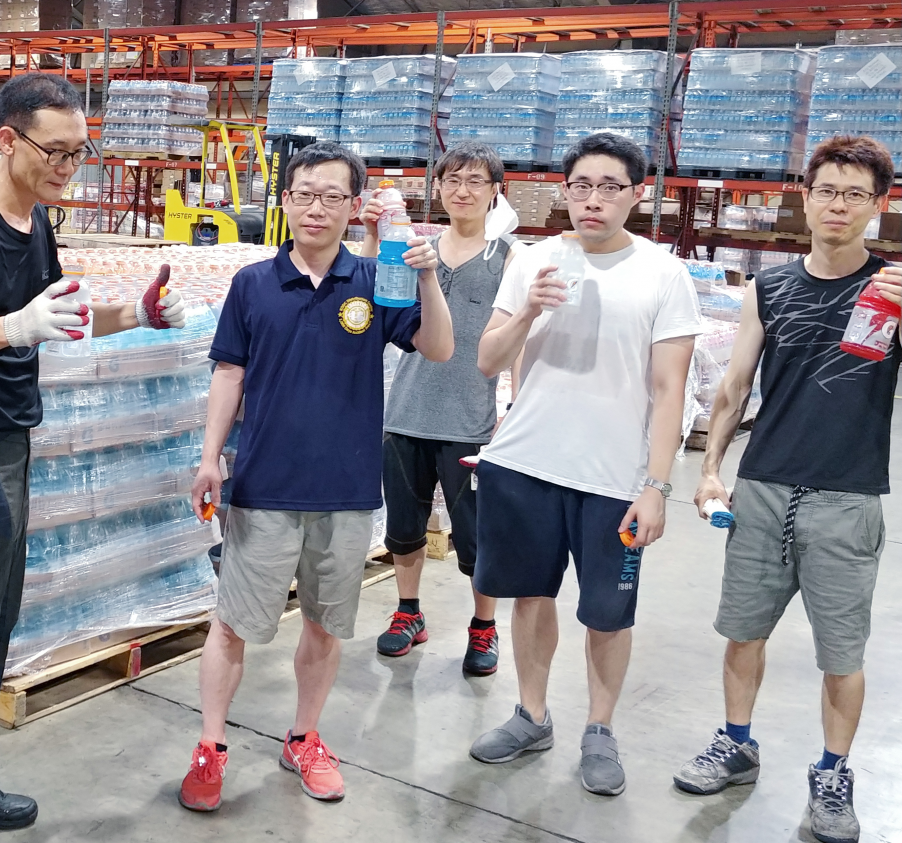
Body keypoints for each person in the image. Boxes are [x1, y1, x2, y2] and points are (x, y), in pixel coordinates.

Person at [0, 72, 186, 843]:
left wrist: (140, 314)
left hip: (7, 447)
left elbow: (55, 322)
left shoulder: (36, 223)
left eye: (78, 152)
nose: (69, 166)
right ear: (4, 139)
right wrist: (11, 327)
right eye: (55, 152)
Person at [178, 141, 454, 812]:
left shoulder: (378, 280)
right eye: (304, 194)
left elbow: (440, 348)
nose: (316, 208)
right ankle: (211, 746)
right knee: (234, 623)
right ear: (285, 200)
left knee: (327, 625)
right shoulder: (252, 283)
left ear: (355, 207)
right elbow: (229, 373)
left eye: (333, 196)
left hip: (347, 487)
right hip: (266, 483)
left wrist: (427, 276)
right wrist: (211, 455)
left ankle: (304, 735)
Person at [672, 136, 899, 843]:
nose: (839, 204)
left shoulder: (892, 286)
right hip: (764, 486)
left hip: (847, 494)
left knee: (843, 654)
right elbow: (736, 383)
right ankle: (736, 741)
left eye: (856, 193)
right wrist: (711, 467)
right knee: (743, 632)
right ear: (805, 195)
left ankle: (833, 772)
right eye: (827, 189)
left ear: (881, 205)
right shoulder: (769, 286)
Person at [470, 132, 701, 797]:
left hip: (613, 479)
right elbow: (487, 359)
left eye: (608, 187)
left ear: (638, 193)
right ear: (563, 190)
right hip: (526, 463)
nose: (592, 200)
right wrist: (529, 313)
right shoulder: (532, 261)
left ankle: (599, 728)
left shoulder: (664, 274)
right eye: (580, 186)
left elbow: (669, 390)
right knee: (530, 594)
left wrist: (655, 486)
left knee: (607, 611)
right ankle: (531, 713)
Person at [358, 141, 515, 675]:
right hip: (406, 413)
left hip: (472, 422)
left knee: (476, 535)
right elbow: (365, 300)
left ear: (496, 190)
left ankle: (483, 626)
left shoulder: (509, 258)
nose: (462, 190)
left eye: (475, 181)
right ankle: (408, 613)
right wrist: (374, 235)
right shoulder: (411, 246)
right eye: (452, 180)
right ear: (438, 189)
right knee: (405, 526)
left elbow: (522, 335)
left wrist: (513, 410)